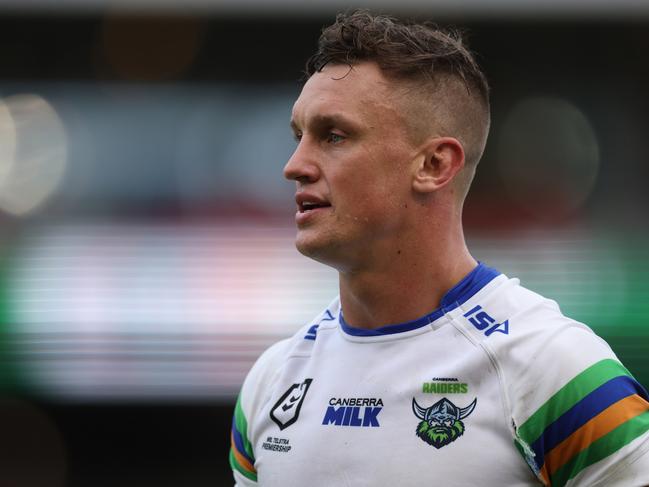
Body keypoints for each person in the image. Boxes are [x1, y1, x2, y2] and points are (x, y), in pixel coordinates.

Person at [229, 10, 649, 486]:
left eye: (334, 136)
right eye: (298, 136)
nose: (294, 165)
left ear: (433, 164)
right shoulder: (272, 381)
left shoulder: (555, 369)